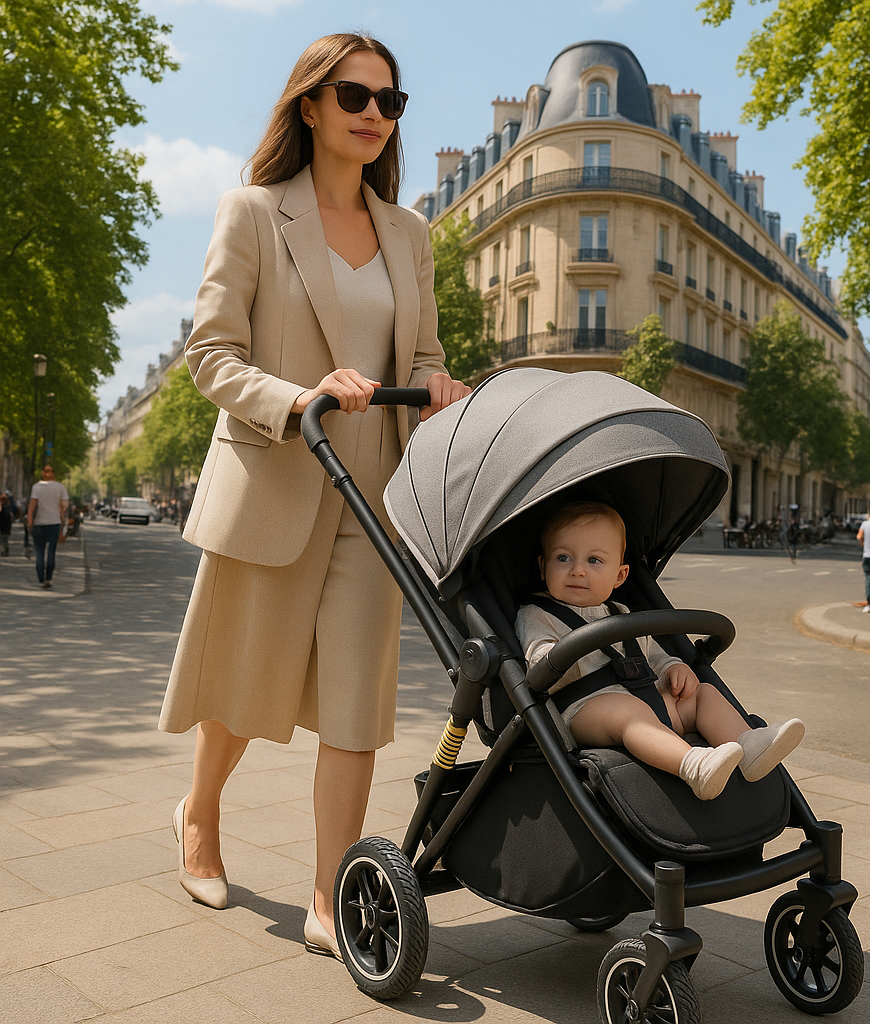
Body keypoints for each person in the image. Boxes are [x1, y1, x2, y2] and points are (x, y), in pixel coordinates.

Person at [157, 33, 471, 959]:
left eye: (390, 100)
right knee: (244, 685)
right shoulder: (253, 212)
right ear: (310, 105)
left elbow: (420, 357)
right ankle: (199, 814)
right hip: (281, 472)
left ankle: (332, 896)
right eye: (354, 96)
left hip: (378, 495)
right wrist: (297, 399)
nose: (374, 113)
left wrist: (441, 386)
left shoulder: (408, 231)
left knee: (355, 705)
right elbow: (211, 355)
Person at [515, 502, 805, 802]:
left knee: (703, 694)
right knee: (628, 712)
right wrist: (557, 656)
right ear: (542, 566)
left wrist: (671, 668)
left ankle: (748, 745)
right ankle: (693, 765)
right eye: (563, 558)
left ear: (620, 575)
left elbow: (650, 654)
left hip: (649, 699)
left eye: (594, 560)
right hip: (586, 710)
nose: (577, 570)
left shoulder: (622, 612)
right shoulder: (536, 614)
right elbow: (539, 663)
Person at [26, 465, 68, 589]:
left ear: (42, 473)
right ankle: (48, 578)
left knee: (39, 553)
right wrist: (63, 526)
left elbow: (32, 506)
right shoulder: (60, 487)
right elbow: (63, 508)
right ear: (54, 473)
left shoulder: (37, 487)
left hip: (39, 524)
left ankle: (41, 578)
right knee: (51, 553)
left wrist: (29, 521)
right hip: (54, 523)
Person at [0, 492, 13, 556]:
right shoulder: (9, 507)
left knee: (3, 538)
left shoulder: (1, 507)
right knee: (5, 539)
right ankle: (5, 550)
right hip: (7, 526)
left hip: (2, 526)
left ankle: (4, 550)